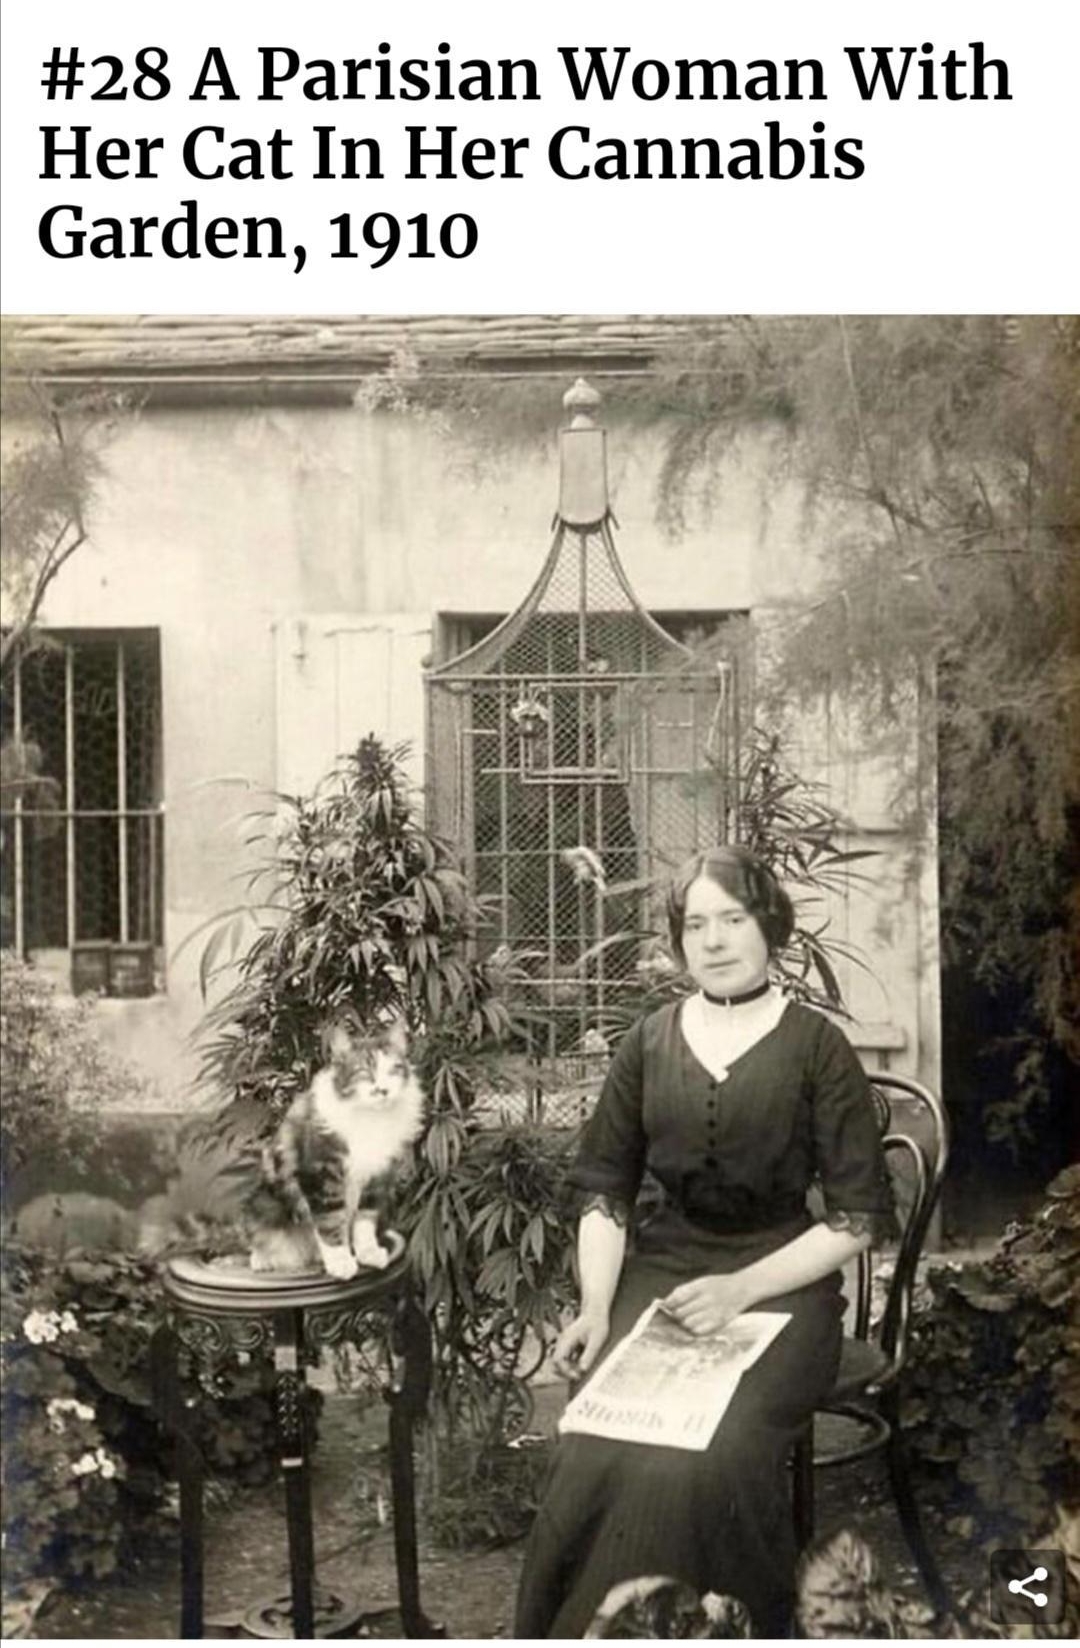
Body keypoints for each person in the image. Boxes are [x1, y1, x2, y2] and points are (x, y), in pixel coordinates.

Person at [514, 845, 895, 1638]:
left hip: (783, 1291)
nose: (714, 940)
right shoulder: (648, 1042)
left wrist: (740, 1290)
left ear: (769, 928)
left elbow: (855, 1220)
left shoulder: (816, 1047)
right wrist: (592, 1308)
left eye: (733, 919)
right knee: (595, 1434)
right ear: (679, 940)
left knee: (708, 1452)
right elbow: (604, 1191)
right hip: (666, 1274)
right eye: (696, 925)